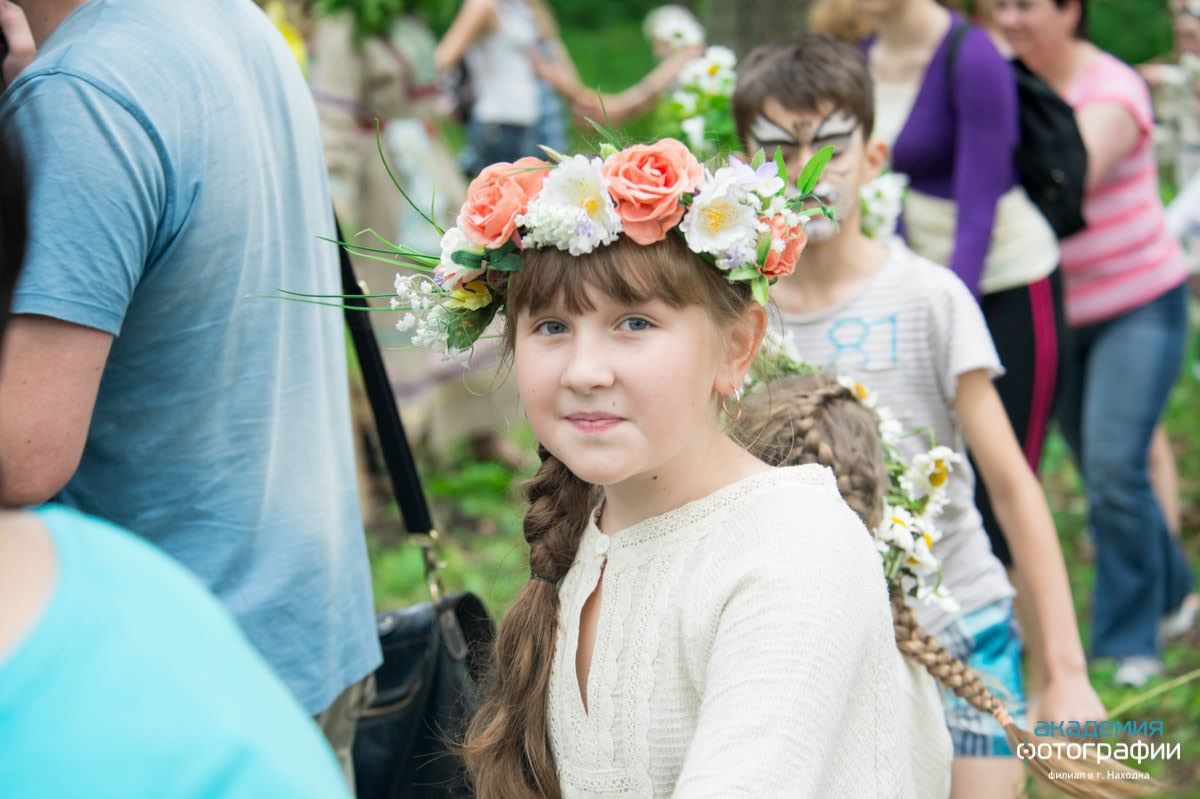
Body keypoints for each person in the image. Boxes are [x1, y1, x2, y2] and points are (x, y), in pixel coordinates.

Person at [368, 138, 931, 794]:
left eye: (634, 323)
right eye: (551, 327)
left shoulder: (793, 550)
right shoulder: (589, 538)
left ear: (737, 346)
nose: (584, 372)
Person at [0, 0, 380, 777]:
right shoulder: (229, 19)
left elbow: (22, 453)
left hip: (159, 691)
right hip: (301, 632)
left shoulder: (80, 96)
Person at [732, 35, 1107, 799]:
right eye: (778, 149)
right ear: (745, 166)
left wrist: (1066, 670)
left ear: (874, 157)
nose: (807, 170)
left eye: (830, 146)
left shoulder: (930, 297)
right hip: (813, 643)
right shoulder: (738, 323)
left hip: (960, 623)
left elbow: (1014, 488)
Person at [992, 0, 1199, 687]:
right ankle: (1175, 593)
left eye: (1025, 6)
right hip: (1057, 314)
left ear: (1069, 10)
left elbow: (1065, 177)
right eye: (998, 6)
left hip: (1138, 304)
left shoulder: (1112, 88)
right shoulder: (1000, 77)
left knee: (1113, 464)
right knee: (1105, 473)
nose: (1009, 20)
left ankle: (1126, 643)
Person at [848, 0, 1066, 574]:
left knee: (1003, 488)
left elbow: (978, 210)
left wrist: (941, 317)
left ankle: (1027, 625)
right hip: (919, 287)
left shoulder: (972, 56)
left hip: (1004, 283)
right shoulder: (862, 55)